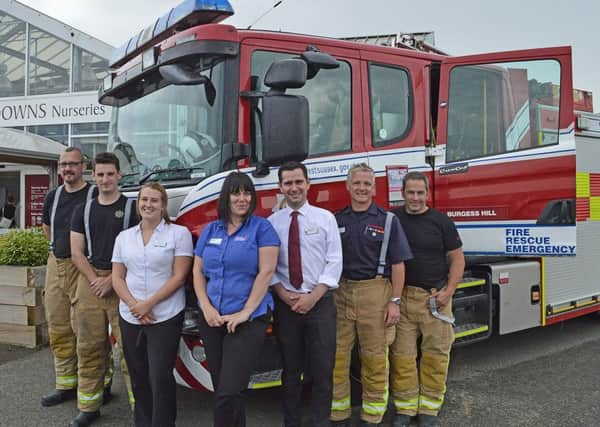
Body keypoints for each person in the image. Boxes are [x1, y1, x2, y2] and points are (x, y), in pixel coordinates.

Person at [193, 171, 280, 427]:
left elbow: (266, 272)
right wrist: (206, 307)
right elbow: (198, 271)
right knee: (223, 386)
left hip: (247, 319)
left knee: (229, 389)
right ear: (226, 197)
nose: (242, 198)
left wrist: (246, 312)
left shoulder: (262, 228)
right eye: (236, 192)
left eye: (247, 192)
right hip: (213, 318)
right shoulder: (211, 230)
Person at [331, 163, 412, 427]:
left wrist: (395, 302)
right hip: (341, 293)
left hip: (375, 293)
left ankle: (373, 416)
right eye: (357, 183)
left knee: (375, 359)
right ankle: (338, 414)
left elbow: (399, 264)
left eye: (367, 184)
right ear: (348, 186)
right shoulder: (337, 219)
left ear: (374, 188)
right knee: (337, 357)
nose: (362, 188)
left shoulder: (388, 221)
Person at [268, 161, 343, 427]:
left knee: (323, 370)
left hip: (320, 304)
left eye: (299, 181)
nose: (294, 187)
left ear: (308, 184)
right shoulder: (272, 223)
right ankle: (292, 422)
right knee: (290, 371)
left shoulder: (326, 218)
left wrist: (313, 296)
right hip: (286, 306)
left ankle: (321, 422)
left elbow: (334, 261)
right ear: (280, 187)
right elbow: (269, 265)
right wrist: (281, 292)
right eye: (288, 183)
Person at [112, 182, 193, 427]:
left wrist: (148, 304)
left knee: (160, 377)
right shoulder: (125, 237)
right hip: (130, 315)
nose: (148, 204)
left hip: (165, 315)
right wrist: (134, 305)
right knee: (138, 376)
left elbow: (179, 276)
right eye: (144, 200)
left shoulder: (179, 234)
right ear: (138, 204)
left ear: (163, 205)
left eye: (154, 200)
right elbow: (117, 277)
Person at [390, 171, 465, 427]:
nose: (415, 198)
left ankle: (429, 409)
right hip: (402, 298)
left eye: (420, 193)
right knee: (402, 357)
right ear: (402, 194)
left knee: (435, 355)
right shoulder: (393, 219)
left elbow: (457, 259)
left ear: (427, 194)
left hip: (436, 298)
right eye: (410, 193)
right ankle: (406, 408)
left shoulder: (441, 221)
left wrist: (449, 291)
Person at [69, 152, 137, 426]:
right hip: (89, 281)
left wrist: (112, 279)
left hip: (123, 279)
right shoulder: (82, 210)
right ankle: (89, 406)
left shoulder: (133, 208)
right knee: (88, 346)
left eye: (110, 174)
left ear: (119, 175)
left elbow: (138, 250)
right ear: (93, 176)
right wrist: (95, 279)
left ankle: (140, 407)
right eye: (100, 174)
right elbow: (76, 251)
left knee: (130, 349)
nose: (105, 179)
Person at [40, 147, 97, 407]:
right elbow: (47, 228)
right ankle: (65, 384)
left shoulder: (94, 194)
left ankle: (99, 386)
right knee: (58, 325)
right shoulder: (54, 196)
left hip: (84, 266)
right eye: (63, 164)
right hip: (57, 263)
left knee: (88, 330)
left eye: (72, 165)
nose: (66, 169)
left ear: (83, 167)